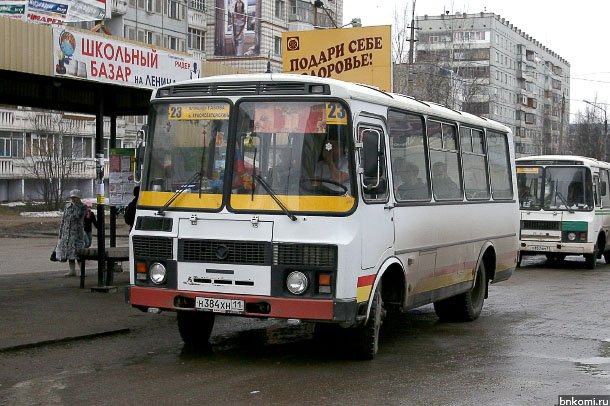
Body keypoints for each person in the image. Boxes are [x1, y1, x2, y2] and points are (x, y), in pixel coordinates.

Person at [57, 189, 86, 277]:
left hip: (76, 233)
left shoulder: (83, 207)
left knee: (78, 253)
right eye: (72, 198)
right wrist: (61, 232)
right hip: (67, 233)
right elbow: (64, 219)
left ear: (79, 198)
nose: (73, 199)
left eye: (75, 198)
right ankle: (72, 270)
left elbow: (78, 217)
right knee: (69, 253)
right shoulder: (67, 206)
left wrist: (76, 206)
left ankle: (82, 271)